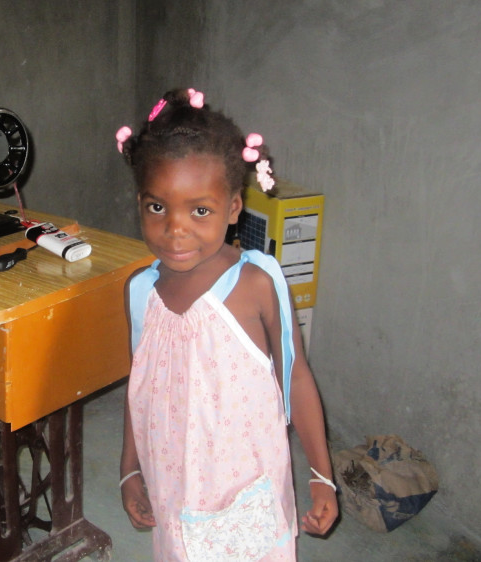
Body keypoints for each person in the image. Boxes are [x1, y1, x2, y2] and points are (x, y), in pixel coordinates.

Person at [116, 88, 338, 561]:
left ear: (234, 207)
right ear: (140, 203)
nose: (176, 229)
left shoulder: (256, 284)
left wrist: (322, 476)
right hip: (172, 486)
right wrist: (129, 469)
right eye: (158, 207)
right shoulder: (141, 292)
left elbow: (295, 375)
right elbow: (143, 386)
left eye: (200, 210)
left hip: (244, 491)